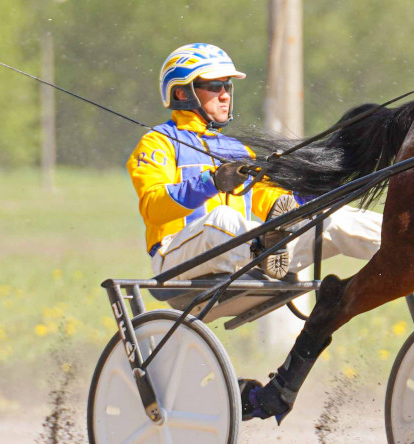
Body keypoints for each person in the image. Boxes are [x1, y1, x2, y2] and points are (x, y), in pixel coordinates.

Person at [128, 43, 382, 278]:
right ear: (183, 93)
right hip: (176, 259)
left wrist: (316, 197)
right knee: (222, 218)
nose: (225, 95)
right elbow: (153, 209)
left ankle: (413, 244)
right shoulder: (158, 142)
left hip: (245, 256)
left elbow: (273, 201)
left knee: (331, 217)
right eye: (215, 86)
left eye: (227, 86)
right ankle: (262, 248)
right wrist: (212, 182)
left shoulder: (237, 149)